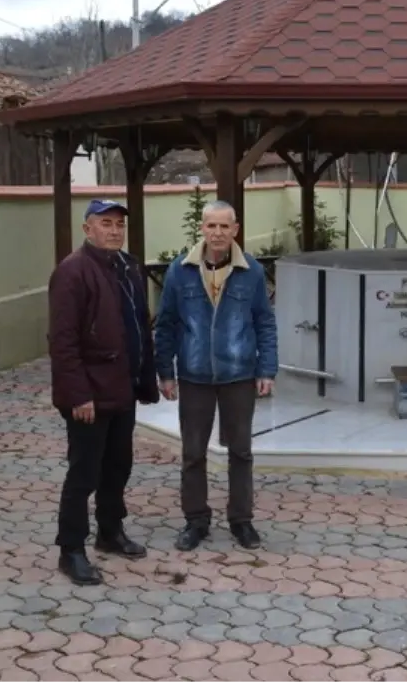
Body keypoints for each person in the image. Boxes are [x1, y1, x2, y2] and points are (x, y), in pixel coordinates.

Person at [153, 200, 277, 552]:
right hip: (194, 376)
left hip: (239, 375)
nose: (218, 233)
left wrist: (266, 368)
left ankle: (242, 521)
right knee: (193, 452)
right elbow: (166, 324)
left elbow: (265, 322)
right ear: (202, 228)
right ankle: (196, 520)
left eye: (225, 226)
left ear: (235, 229)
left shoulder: (251, 271)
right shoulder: (180, 270)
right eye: (212, 226)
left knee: (241, 451)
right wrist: (165, 372)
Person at [48, 198, 159, 585]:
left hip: (122, 389)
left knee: (118, 466)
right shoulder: (72, 272)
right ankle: (71, 550)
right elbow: (62, 342)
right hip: (89, 396)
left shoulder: (128, 267)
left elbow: (139, 326)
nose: (114, 230)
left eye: (118, 224)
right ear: (87, 229)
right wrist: (78, 395)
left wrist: (147, 378)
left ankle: (110, 532)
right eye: (105, 223)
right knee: (84, 473)